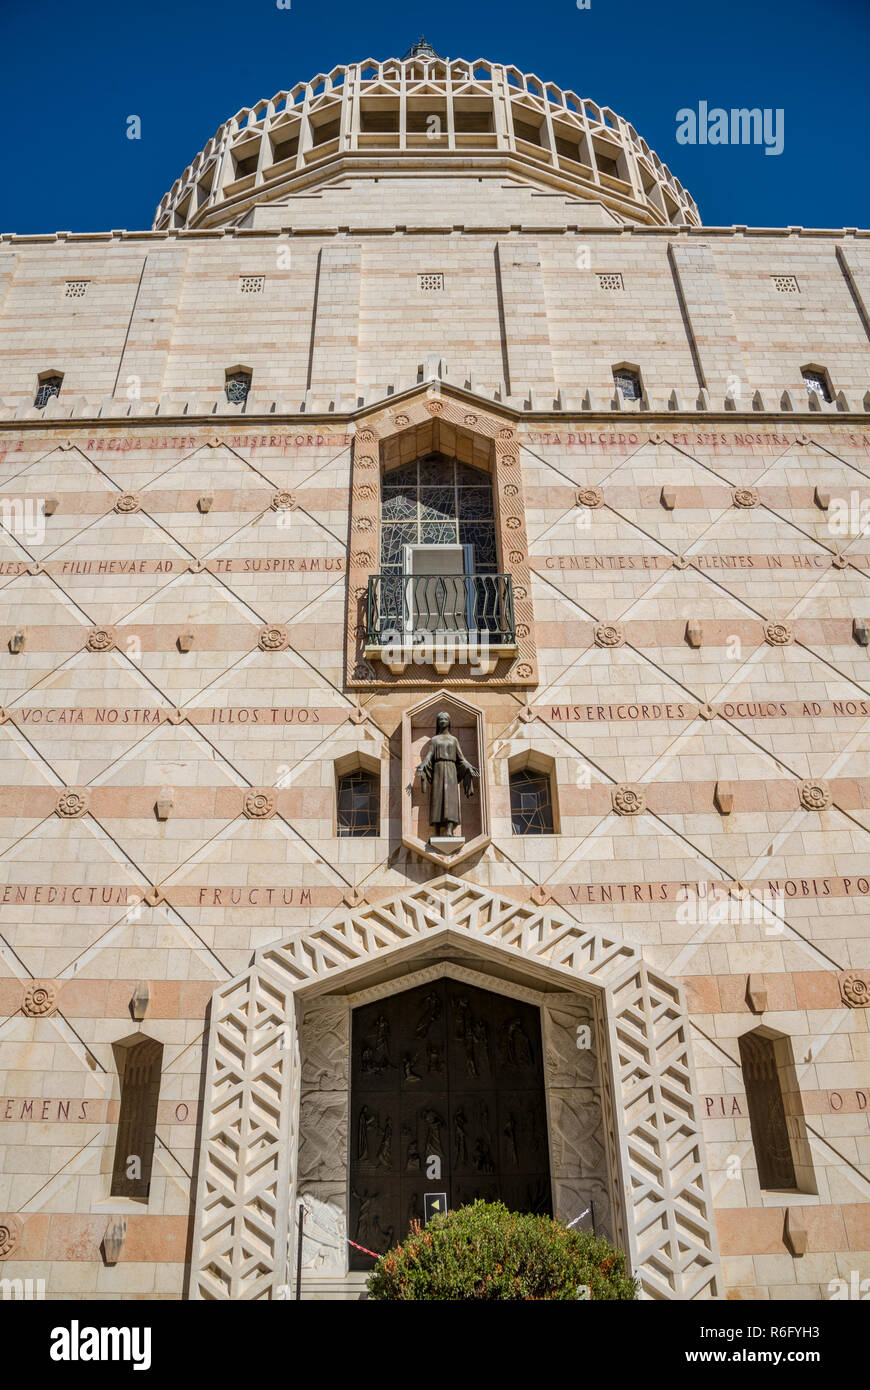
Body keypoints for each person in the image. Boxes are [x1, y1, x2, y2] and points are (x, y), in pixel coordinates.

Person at [415, 711, 479, 837]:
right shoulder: (434, 740)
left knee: (451, 800)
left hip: (451, 771)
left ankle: (450, 829)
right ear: (438, 723)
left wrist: (470, 767)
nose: (443, 721)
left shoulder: (453, 740)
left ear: (449, 722)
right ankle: (437, 830)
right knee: (437, 799)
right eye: (440, 719)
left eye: (445, 719)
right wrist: (422, 765)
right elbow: (429, 756)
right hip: (438, 770)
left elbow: (461, 758)